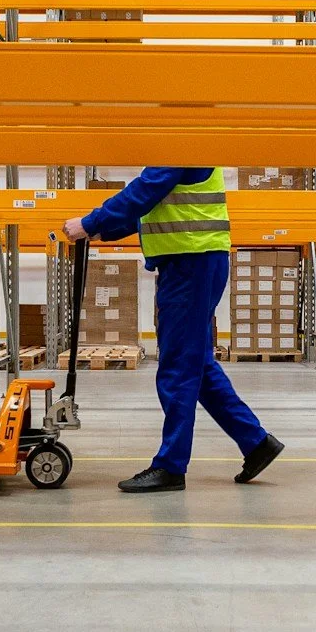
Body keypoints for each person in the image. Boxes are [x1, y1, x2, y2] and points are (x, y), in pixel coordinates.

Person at [64, 167, 283, 493]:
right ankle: (255, 442)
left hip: (190, 260)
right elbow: (152, 206)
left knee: (178, 366)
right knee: (198, 363)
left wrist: (91, 222)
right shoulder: (184, 138)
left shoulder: (182, 134)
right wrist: (102, 230)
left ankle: (170, 466)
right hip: (194, 258)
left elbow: (144, 191)